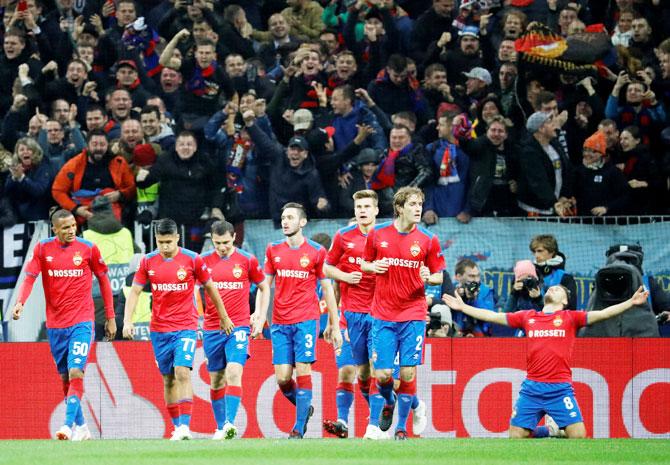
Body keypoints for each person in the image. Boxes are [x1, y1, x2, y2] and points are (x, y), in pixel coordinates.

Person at [443, 284, 650, 438]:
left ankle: (553, 429)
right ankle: (549, 430)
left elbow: (604, 313)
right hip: (532, 388)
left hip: (560, 389)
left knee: (578, 436)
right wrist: (463, 308)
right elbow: (492, 316)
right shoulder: (528, 317)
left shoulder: (571, 317)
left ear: (565, 301)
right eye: (551, 287)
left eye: (559, 289)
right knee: (515, 437)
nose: (553, 288)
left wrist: (631, 302)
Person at [122, 218, 234, 440]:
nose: (164, 246)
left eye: (168, 242)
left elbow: (210, 288)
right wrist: (128, 321)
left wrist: (224, 317)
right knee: (168, 378)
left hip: (185, 326)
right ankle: (177, 427)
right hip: (159, 329)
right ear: (156, 239)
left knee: (182, 371)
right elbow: (134, 292)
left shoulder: (192, 260)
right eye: (160, 242)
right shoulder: (147, 261)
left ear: (177, 238)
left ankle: (184, 426)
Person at [12, 209, 116, 441]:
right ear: (54, 229)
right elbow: (29, 277)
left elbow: (103, 279)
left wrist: (110, 317)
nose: (71, 231)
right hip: (56, 325)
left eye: (73, 226)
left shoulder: (88, 248)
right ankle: (82, 427)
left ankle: (67, 426)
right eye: (65, 227)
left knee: (76, 370)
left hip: (82, 321)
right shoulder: (42, 249)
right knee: (65, 379)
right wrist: (20, 302)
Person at [361, 186, 445, 440]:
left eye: (420, 203)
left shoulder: (428, 239)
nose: (418, 208)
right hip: (384, 315)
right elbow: (364, 264)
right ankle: (389, 402)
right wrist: (374, 266)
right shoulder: (377, 234)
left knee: (407, 373)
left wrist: (429, 277)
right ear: (399, 208)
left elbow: (440, 275)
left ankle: (401, 428)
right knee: (384, 375)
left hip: (413, 313)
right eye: (412, 204)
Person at [255, 202, 342, 439]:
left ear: (302, 222)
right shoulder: (273, 250)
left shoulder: (316, 251)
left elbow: (327, 290)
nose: (285, 221)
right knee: (283, 378)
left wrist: (334, 324)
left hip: (305, 319)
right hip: (280, 322)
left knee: (303, 369)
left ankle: (298, 428)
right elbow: (265, 287)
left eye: (290, 217)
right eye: (283, 217)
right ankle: (306, 409)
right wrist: (260, 315)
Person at [200, 221, 270, 440]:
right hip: (212, 327)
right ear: (212, 239)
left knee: (233, 371)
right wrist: (198, 315)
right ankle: (221, 428)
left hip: (238, 325)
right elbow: (192, 291)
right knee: (217, 380)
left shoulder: (247, 260)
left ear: (234, 238)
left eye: (227, 242)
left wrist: (260, 315)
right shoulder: (202, 262)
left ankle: (230, 423)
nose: (222, 247)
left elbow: (264, 286)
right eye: (218, 242)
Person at [529, 234, 578, 310]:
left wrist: (538, 299)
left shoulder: (565, 278)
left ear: (551, 252)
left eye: (540, 251)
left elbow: (571, 309)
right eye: (534, 252)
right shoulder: (529, 274)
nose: (536, 255)